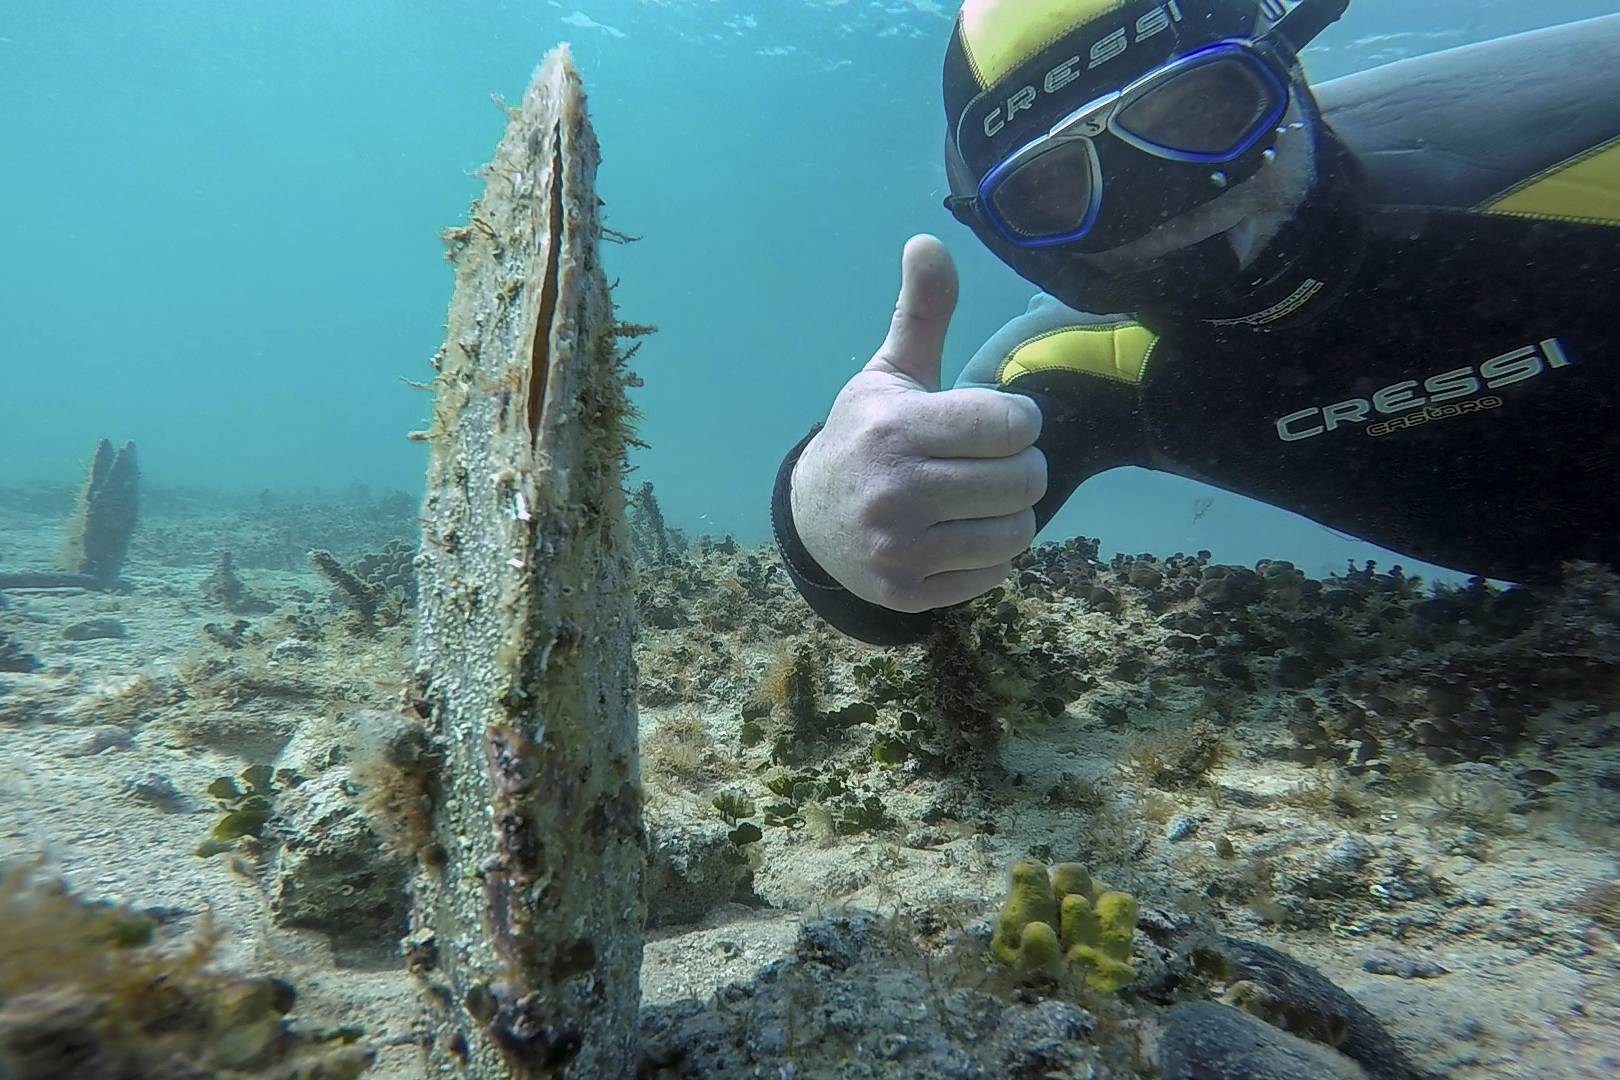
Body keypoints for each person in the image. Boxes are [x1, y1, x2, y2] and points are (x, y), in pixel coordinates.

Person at [771, 0, 1620, 646]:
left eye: (1199, 113)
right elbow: (906, 589)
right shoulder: (1082, 368)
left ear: (1282, 70)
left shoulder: (1591, 157)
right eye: (1062, 186)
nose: (1167, 203)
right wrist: (822, 512)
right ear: (1009, 235)